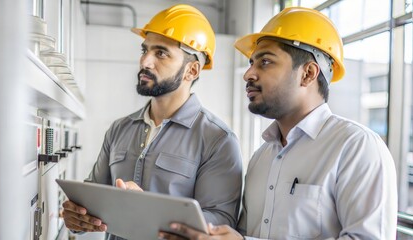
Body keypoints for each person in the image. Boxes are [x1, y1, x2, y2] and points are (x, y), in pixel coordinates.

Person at [160, 6, 398, 240]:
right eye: (252, 63)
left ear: (308, 73)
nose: (248, 74)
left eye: (265, 62)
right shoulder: (262, 157)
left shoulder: (356, 147)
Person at [61, 4, 243, 240]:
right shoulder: (120, 129)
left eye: (161, 53)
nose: (145, 62)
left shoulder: (218, 140)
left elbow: (221, 223)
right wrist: (77, 217)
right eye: (144, 50)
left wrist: (147, 210)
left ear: (192, 70)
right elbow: (92, 199)